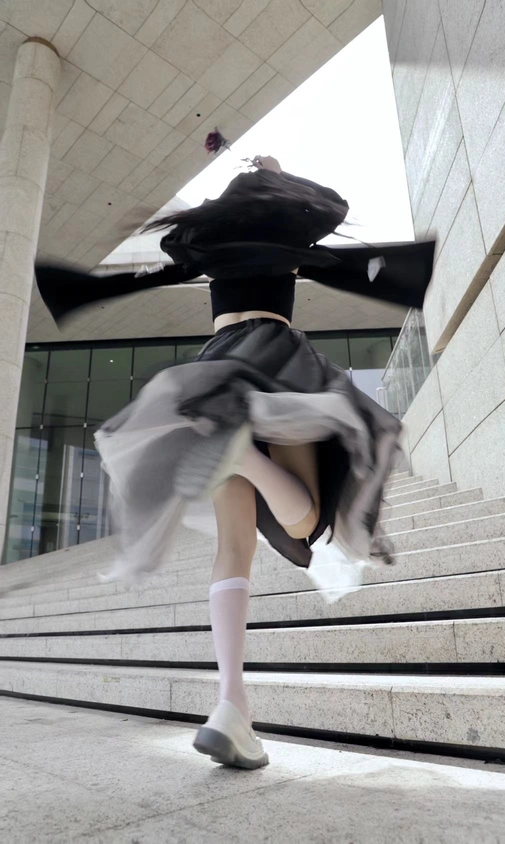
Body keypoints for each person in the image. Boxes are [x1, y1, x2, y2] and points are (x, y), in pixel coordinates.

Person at [35, 155, 435, 771]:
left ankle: (230, 704)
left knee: (234, 549)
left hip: (217, 371)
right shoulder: (287, 241)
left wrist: (81, 289)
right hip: (278, 362)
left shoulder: (210, 244)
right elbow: (330, 213)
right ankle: (243, 454)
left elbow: (150, 273)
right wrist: (278, 174)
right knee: (306, 522)